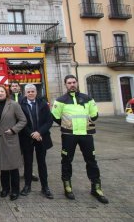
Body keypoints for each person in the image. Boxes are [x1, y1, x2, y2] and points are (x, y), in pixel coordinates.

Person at [51, 75, 109, 204]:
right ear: (65, 85)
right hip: (68, 135)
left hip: (86, 134)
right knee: (66, 161)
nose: (72, 84)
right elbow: (55, 117)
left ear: (77, 83)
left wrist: (84, 123)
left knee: (91, 161)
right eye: (69, 83)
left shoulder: (88, 99)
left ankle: (96, 188)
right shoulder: (60, 100)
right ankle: (67, 187)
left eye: (74, 82)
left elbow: (94, 115)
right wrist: (67, 124)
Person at [0, 85, 27, 201]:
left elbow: (23, 120)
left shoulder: (14, 104)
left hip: (11, 138)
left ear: (6, 92)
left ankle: (15, 190)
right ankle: (5, 189)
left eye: (2, 91)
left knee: (13, 166)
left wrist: (13, 130)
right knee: (2, 166)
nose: (0, 93)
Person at [19, 84, 54, 199]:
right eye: (28, 91)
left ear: (36, 92)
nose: (30, 93)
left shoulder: (43, 103)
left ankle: (45, 187)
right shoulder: (20, 104)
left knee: (42, 163)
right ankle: (27, 186)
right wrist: (31, 134)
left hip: (41, 137)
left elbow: (49, 121)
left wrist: (39, 132)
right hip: (27, 138)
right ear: (25, 93)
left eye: (32, 91)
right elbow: (21, 122)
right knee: (28, 163)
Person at [10, 81, 39, 182]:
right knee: (15, 152)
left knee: (27, 153)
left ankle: (29, 172)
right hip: (13, 128)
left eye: (16, 86)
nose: (14, 87)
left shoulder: (25, 98)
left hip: (25, 130)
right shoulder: (8, 99)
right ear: (10, 88)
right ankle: (15, 172)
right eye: (12, 86)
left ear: (19, 88)